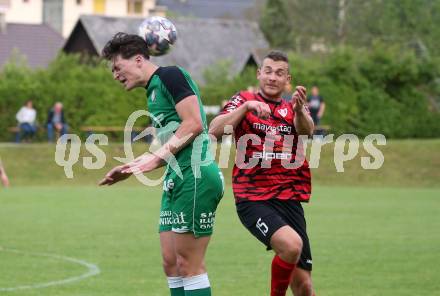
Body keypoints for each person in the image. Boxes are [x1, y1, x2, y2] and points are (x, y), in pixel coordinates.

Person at [99, 32, 224, 296]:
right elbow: (172, 144)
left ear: (138, 60)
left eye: (118, 67)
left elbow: (194, 124)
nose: (115, 75)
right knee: (171, 264)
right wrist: (130, 168)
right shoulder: (153, 90)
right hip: (176, 176)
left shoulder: (170, 76)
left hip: (196, 174)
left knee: (189, 265)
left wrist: (156, 157)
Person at [209, 51, 315, 296]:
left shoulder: (293, 105)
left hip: (290, 198)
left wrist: (299, 110)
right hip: (254, 198)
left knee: (304, 288)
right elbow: (214, 131)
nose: (272, 77)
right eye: (267, 71)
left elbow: (307, 131)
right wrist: (246, 108)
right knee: (291, 245)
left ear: (287, 79)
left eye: (279, 73)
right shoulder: (243, 99)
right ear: (259, 74)